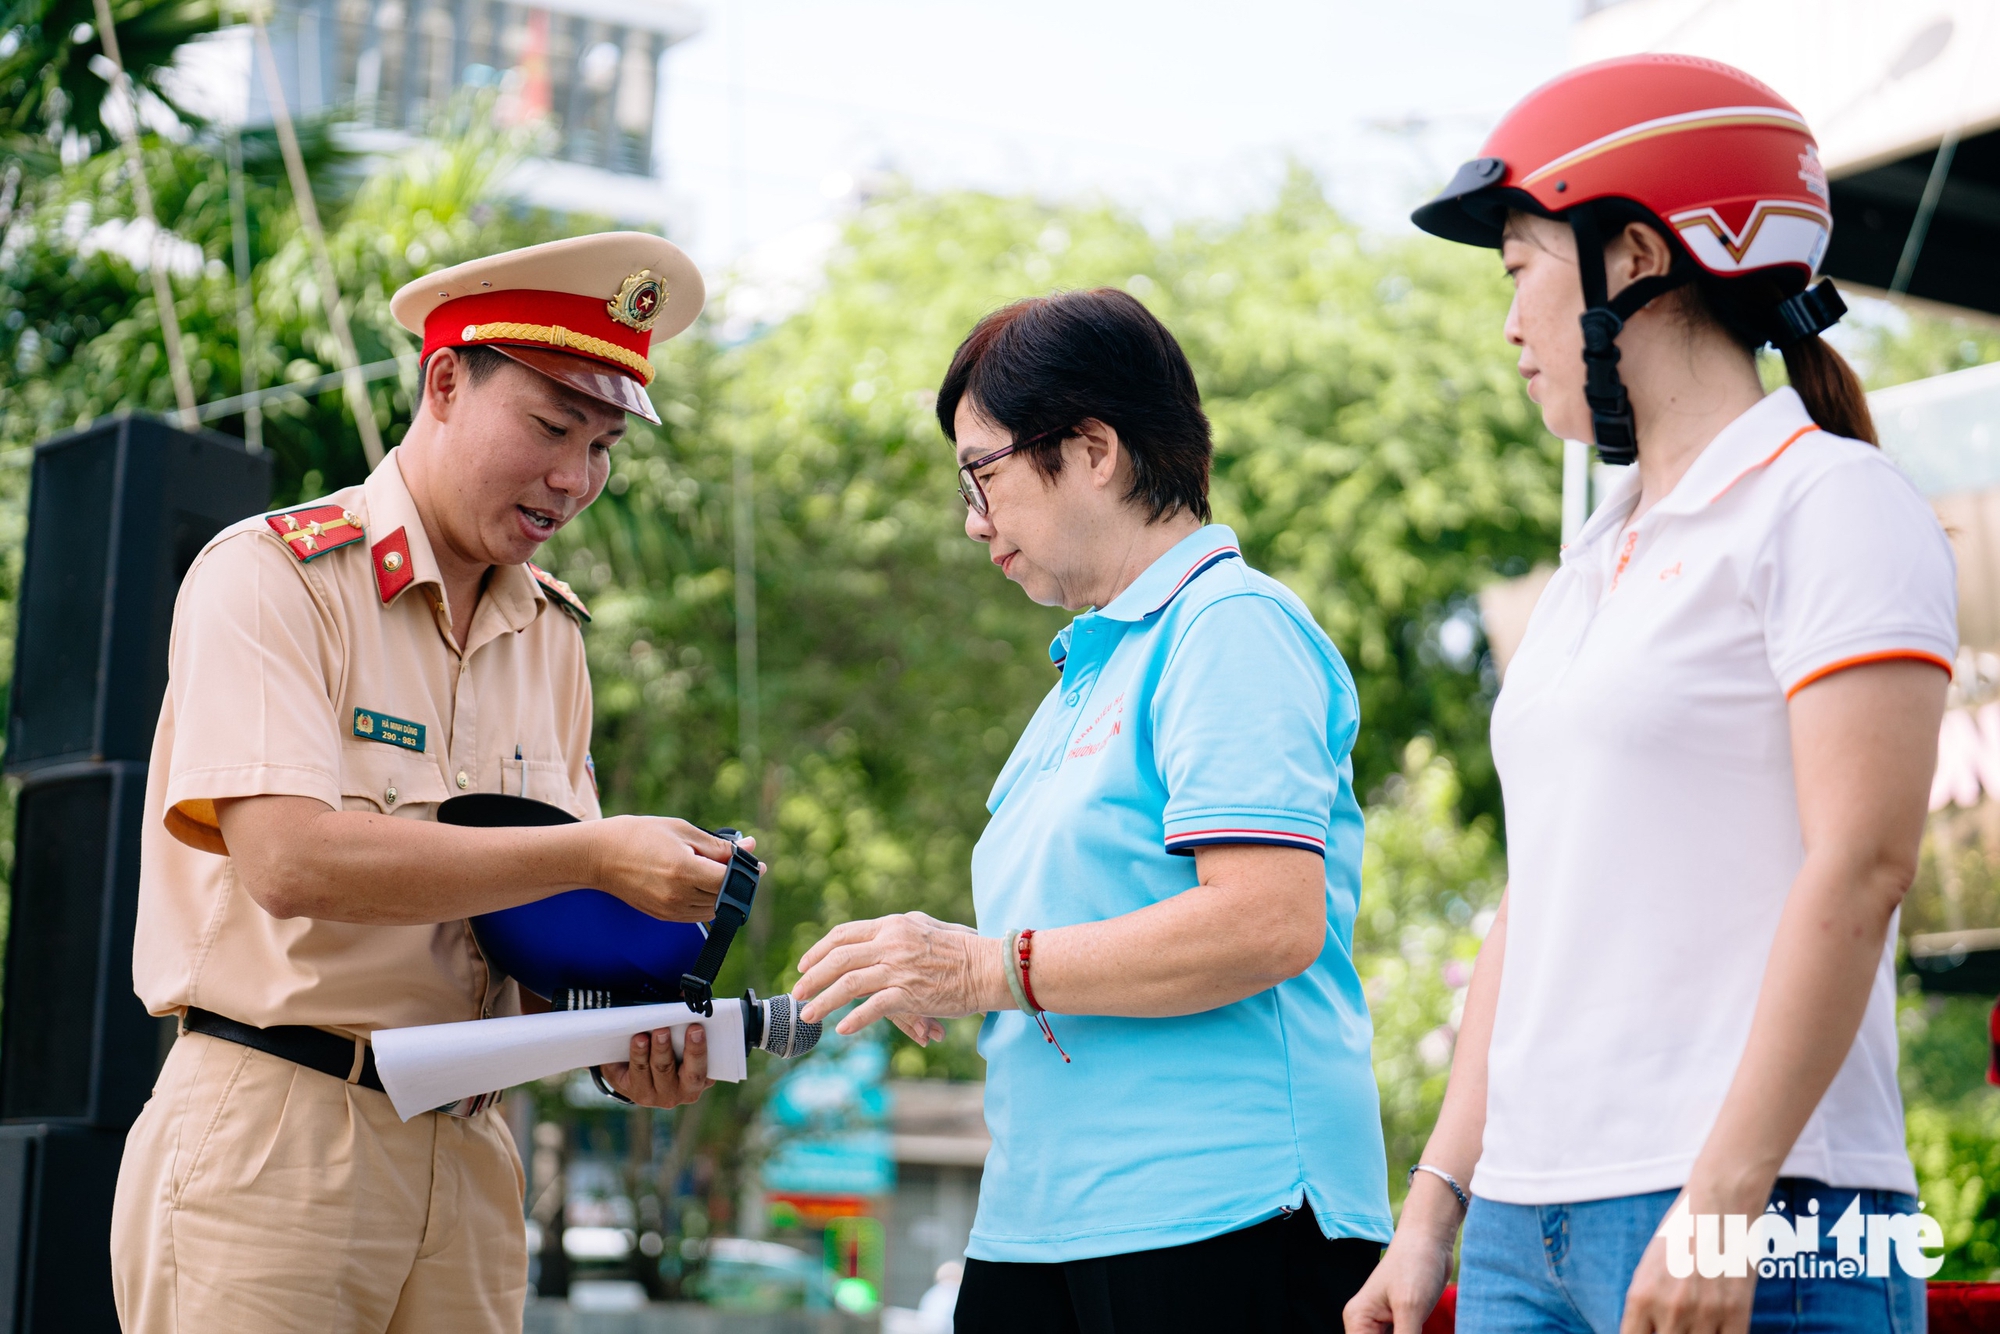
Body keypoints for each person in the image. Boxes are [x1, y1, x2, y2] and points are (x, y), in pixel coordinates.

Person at [1346, 56, 1955, 1334]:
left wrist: (1721, 1205)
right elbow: (1536, 903)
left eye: (1519, 267)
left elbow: (1863, 865)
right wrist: (1433, 1210)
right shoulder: (1586, 566)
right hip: (1526, 1220)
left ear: (1632, 256)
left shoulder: (1826, 500)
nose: (1507, 322)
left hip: (1769, 1210)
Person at [111, 232, 738, 1333]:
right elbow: (292, 859)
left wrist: (630, 1043)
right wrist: (592, 851)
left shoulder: (551, 638)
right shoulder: (273, 577)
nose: (573, 478)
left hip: (475, 1154)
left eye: (600, 447)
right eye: (550, 426)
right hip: (278, 1136)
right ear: (443, 380)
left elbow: (538, 945)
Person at [790, 289, 1393, 1333]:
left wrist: (983, 967)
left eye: (983, 473)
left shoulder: (1229, 626)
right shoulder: (1086, 670)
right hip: (1042, 1218)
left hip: (1222, 1210)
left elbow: (1266, 919)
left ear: (1091, 449)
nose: (972, 519)